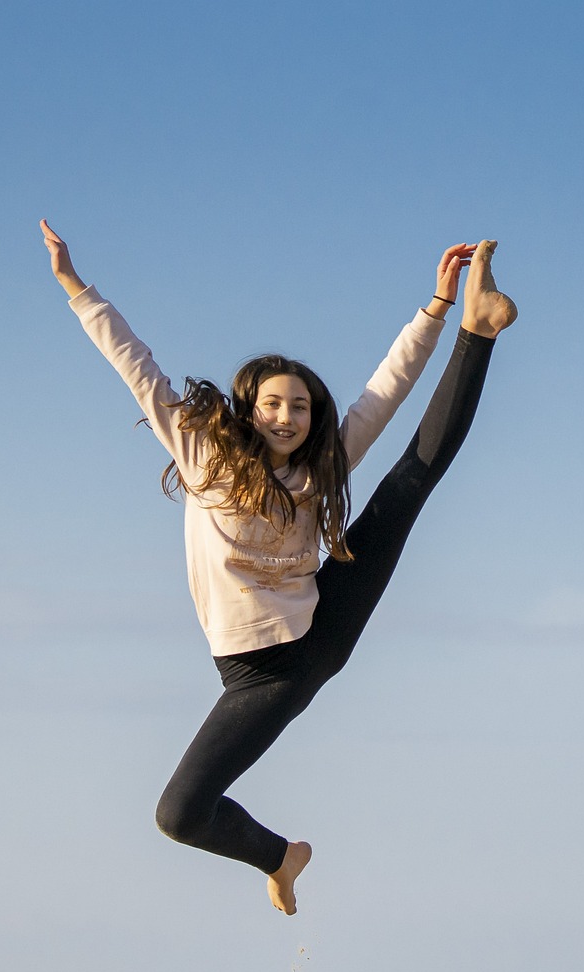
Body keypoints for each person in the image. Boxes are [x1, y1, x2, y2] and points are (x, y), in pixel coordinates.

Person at [41, 219, 517, 915]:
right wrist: (76, 287)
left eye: (300, 406)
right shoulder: (200, 455)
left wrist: (438, 309)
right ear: (249, 408)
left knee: (410, 482)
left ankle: (481, 329)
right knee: (179, 815)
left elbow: (383, 392)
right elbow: (135, 365)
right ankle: (280, 857)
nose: (287, 416)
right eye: (274, 404)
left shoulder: (321, 468)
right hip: (249, 674)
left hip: (311, 638)